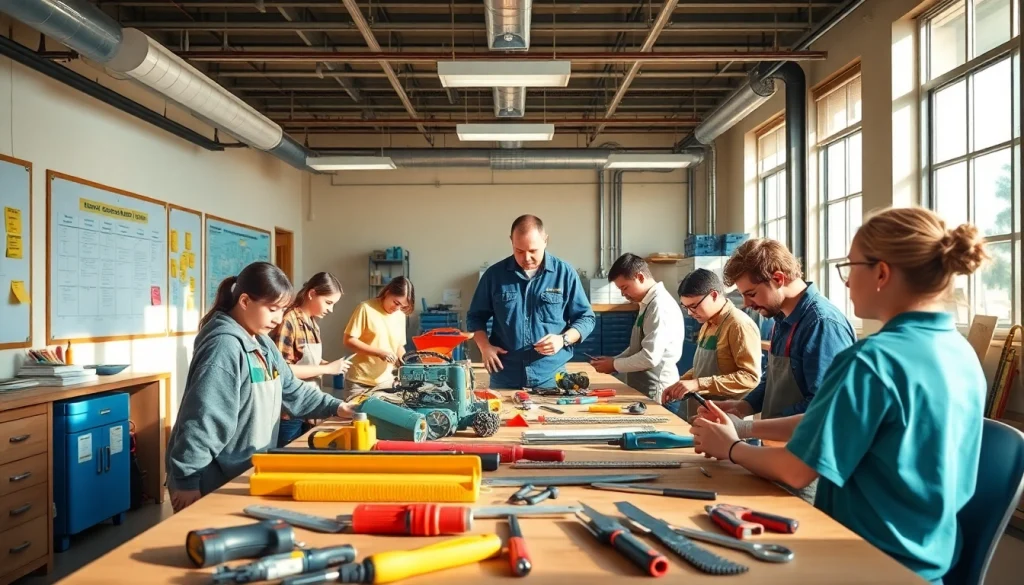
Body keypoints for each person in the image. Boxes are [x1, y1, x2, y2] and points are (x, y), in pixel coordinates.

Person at [690, 207, 988, 584]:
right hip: (925, 564)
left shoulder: (871, 361)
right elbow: (832, 419)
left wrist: (731, 448)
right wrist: (744, 428)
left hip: (863, 559)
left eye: (850, 268)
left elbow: (796, 470)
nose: (846, 283)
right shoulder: (962, 354)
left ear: (881, 272)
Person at [166, 262, 355, 512]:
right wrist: (186, 479)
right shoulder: (224, 347)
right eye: (273, 309)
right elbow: (204, 418)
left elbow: (291, 388)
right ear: (244, 301)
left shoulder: (263, 344)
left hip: (245, 471)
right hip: (211, 479)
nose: (278, 319)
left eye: (283, 310)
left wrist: (336, 406)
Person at [712, 238, 856, 501]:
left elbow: (821, 410)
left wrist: (746, 430)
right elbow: (774, 379)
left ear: (778, 278)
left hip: (803, 463)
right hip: (773, 452)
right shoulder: (781, 317)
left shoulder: (822, 325)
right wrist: (742, 407)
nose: (746, 304)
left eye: (751, 293)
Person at [467, 215, 595, 389]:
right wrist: (485, 347)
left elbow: (586, 318)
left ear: (545, 241)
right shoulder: (494, 276)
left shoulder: (564, 274)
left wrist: (563, 339)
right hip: (505, 376)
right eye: (519, 250)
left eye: (533, 251)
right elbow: (475, 317)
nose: (526, 257)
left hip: (551, 377)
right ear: (511, 241)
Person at [661, 269, 761, 420]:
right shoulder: (707, 324)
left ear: (714, 295)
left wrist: (698, 383)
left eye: (693, 306)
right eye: (685, 307)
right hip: (704, 411)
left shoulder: (738, 325)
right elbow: (704, 368)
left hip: (728, 416)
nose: (690, 313)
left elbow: (750, 377)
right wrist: (681, 383)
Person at [269, 272, 351, 447]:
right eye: (328, 303)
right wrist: (327, 369)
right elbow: (282, 370)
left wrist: (329, 364)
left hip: (308, 406)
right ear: (312, 294)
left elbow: (305, 360)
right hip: (289, 410)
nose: (331, 309)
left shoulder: (312, 323)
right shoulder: (288, 320)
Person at [590, 254, 685, 402]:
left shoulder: (659, 306)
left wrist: (614, 365)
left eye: (625, 287)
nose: (623, 294)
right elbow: (637, 347)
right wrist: (613, 360)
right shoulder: (646, 303)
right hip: (644, 387)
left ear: (640, 277)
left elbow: (649, 357)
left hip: (658, 391)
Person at [342, 276, 415, 400]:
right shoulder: (366, 308)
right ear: (387, 292)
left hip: (385, 383)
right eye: (396, 302)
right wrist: (379, 352)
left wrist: (405, 365)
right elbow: (348, 340)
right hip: (360, 382)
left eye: (402, 306)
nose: (397, 308)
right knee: (358, 418)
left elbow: (398, 346)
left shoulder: (400, 316)